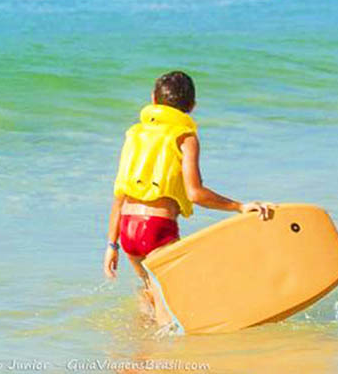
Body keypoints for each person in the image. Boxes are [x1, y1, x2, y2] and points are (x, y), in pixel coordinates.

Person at [103, 71, 272, 324]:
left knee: (150, 290)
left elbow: (120, 194)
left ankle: (137, 356)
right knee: (168, 310)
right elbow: (195, 193)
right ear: (192, 107)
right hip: (157, 230)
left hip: (128, 231)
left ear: (153, 99)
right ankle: (164, 356)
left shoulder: (135, 135)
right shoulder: (185, 137)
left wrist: (111, 246)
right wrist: (239, 206)